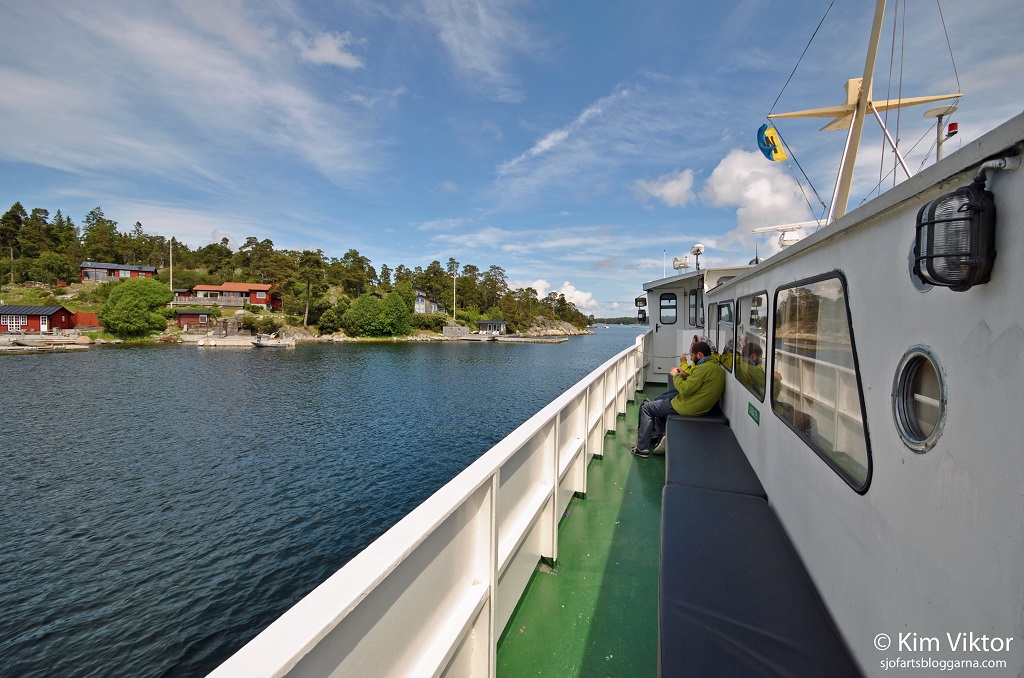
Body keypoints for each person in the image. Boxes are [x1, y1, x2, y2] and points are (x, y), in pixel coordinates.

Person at [631, 340, 726, 458]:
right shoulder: (716, 367)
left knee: (646, 408)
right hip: (700, 406)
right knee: (659, 402)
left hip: (687, 407)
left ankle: (641, 449)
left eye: (692, 356)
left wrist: (675, 375)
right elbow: (699, 384)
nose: (690, 358)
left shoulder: (703, 368)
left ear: (700, 355)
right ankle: (659, 435)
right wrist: (685, 375)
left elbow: (684, 390)